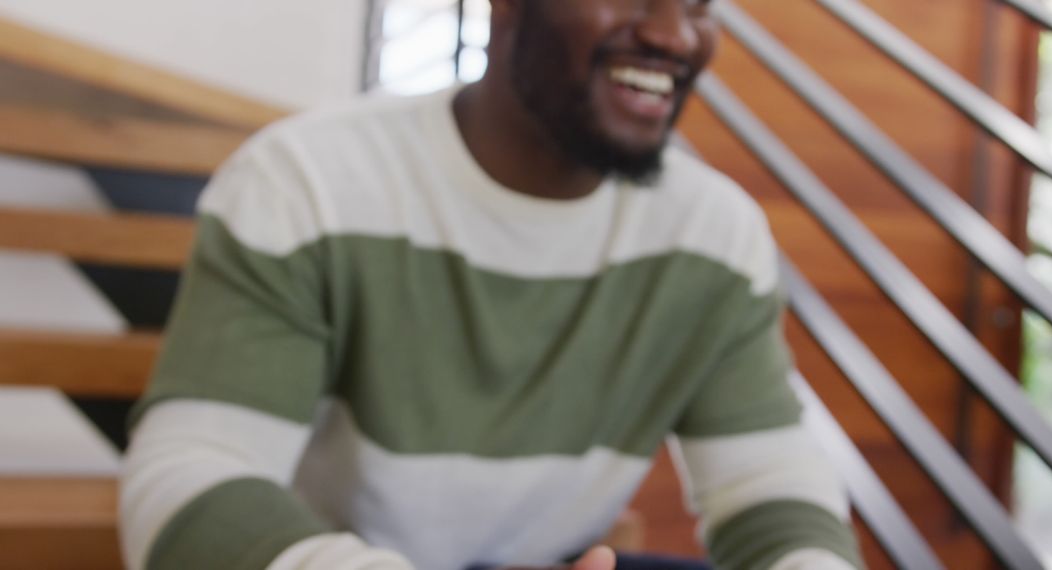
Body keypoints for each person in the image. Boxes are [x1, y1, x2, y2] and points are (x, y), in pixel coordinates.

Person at [120, 1, 864, 569]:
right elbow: (193, 475)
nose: (674, 35)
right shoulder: (306, 182)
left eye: (699, 3)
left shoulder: (715, 233)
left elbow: (769, 481)